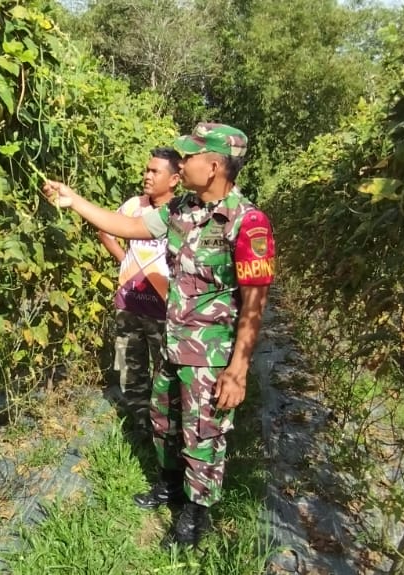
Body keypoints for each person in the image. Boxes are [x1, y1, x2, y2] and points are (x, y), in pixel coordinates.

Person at [42, 123, 275, 548]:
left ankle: (194, 515)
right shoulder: (181, 210)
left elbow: (254, 303)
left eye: (189, 157)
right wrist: (74, 200)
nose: (181, 163)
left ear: (215, 166)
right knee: (164, 423)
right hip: (173, 344)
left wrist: (238, 369)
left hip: (210, 356)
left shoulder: (248, 222)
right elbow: (125, 226)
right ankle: (169, 487)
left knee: (203, 435)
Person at [98, 147, 180, 434]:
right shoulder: (134, 205)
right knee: (130, 368)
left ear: (174, 179)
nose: (147, 175)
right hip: (129, 302)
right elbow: (105, 230)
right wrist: (127, 263)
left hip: (164, 307)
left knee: (165, 371)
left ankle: (164, 429)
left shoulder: (180, 213)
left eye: (155, 171)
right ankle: (140, 426)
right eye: (147, 169)